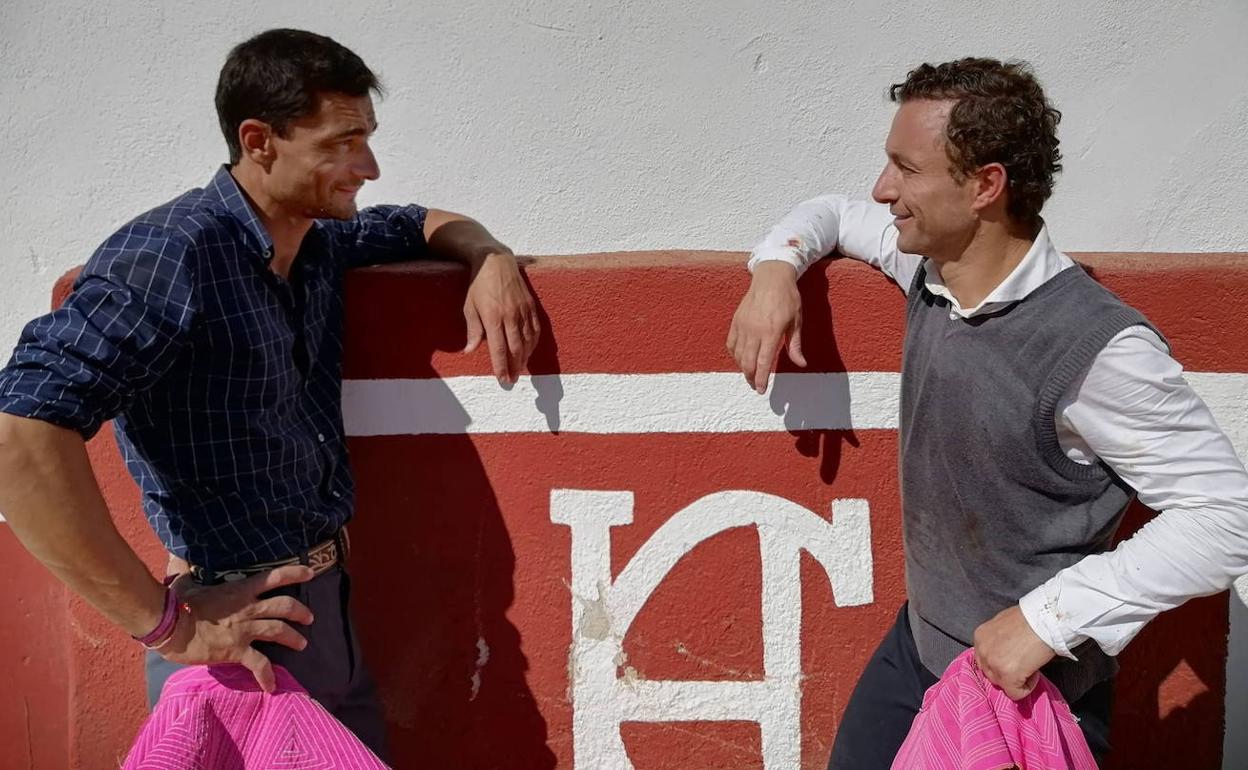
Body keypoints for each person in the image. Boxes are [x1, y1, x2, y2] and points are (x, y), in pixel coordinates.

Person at [0, 28, 540, 760]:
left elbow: (417, 222)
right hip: (237, 642)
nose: (368, 166)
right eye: (343, 142)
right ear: (260, 141)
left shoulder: (315, 239)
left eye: (367, 138)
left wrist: (489, 254)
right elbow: (19, 439)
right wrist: (169, 626)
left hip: (329, 620)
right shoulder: (170, 254)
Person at [726, 57, 1248, 768]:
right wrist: (775, 270)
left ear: (985, 186)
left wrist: (1046, 621)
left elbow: (1224, 516)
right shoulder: (930, 266)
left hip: (1027, 699)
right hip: (919, 652)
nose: (884, 191)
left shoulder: (1100, 348)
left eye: (906, 170)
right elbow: (830, 214)